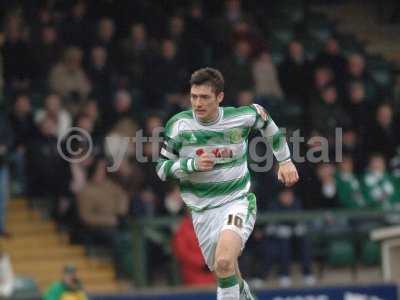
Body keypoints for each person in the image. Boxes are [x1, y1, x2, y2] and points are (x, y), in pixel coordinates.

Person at [156, 67, 298, 300]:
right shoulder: (178, 126)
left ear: (219, 97)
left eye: (205, 97)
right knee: (227, 271)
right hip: (202, 211)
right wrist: (191, 165)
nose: (198, 103)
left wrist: (285, 160)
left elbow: (264, 118)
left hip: (236, 201)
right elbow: (162, 169)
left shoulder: (238, 118)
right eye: (194, 97)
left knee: (223, 262)